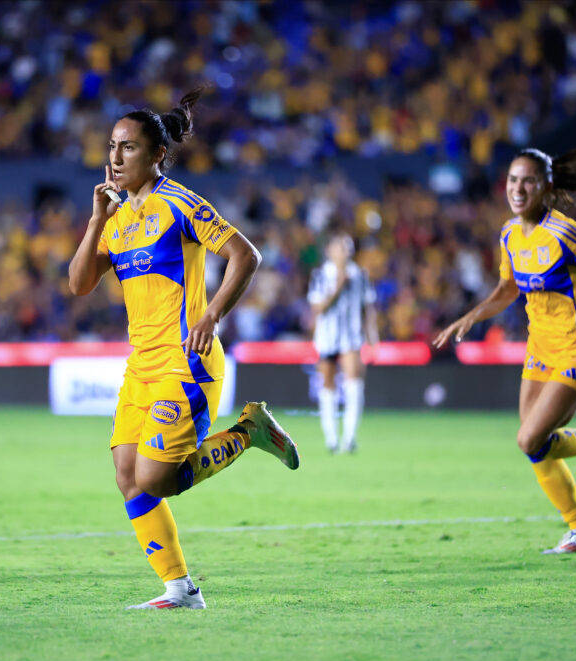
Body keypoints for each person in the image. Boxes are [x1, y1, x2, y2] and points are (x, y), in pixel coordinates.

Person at [68, 90, 300, 609]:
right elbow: (79, 283)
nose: (115, 157)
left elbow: (245, 254)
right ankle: (180, 590)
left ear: (157, 155)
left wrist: (212, 312)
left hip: (186, 361)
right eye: (111, 147)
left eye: (128, 147)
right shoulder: (118, 220)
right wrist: (94, 220)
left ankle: (247, 432)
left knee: (155, 477)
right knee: (129, 478)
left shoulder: (179, 203)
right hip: (141, 367)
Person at [434, 146, 576, 554]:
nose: (518, 188)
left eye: (528, 180)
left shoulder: (566, 233)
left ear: (546, 187)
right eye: (512, 179)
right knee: (536, 444)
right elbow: (508, 287)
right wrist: (473, 316)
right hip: (540, 347)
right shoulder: (510, 233)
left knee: (529, 439)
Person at [308, 234, 379, 453]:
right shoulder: (320, 275)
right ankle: (331, 438)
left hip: (351, 336)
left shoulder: (360, 275)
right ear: (330, 251)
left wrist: (373, 336)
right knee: (327, 384)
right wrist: (338, 288)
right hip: (327, 336)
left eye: (348, 248)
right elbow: (317, 309)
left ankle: (349, 437)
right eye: (341, 247)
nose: (345, 252)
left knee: (354, 382)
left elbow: (368, 307)